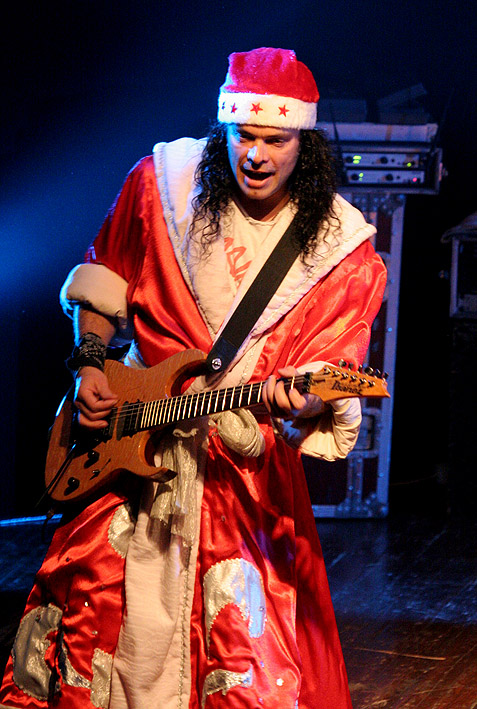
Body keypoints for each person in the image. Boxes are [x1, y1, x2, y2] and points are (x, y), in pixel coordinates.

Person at [0, 47, 386, 709]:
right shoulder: (161, 186)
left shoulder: (341, 252)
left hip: (241, 475)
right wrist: (89, 362)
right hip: (126, 450)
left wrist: (297, 403)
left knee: (242, 653)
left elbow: (330, 374)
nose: (255, 155)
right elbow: (104, 274)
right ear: (222, 129)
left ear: (305, 144)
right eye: (242, 135)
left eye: (275, 140)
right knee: (93, 627)